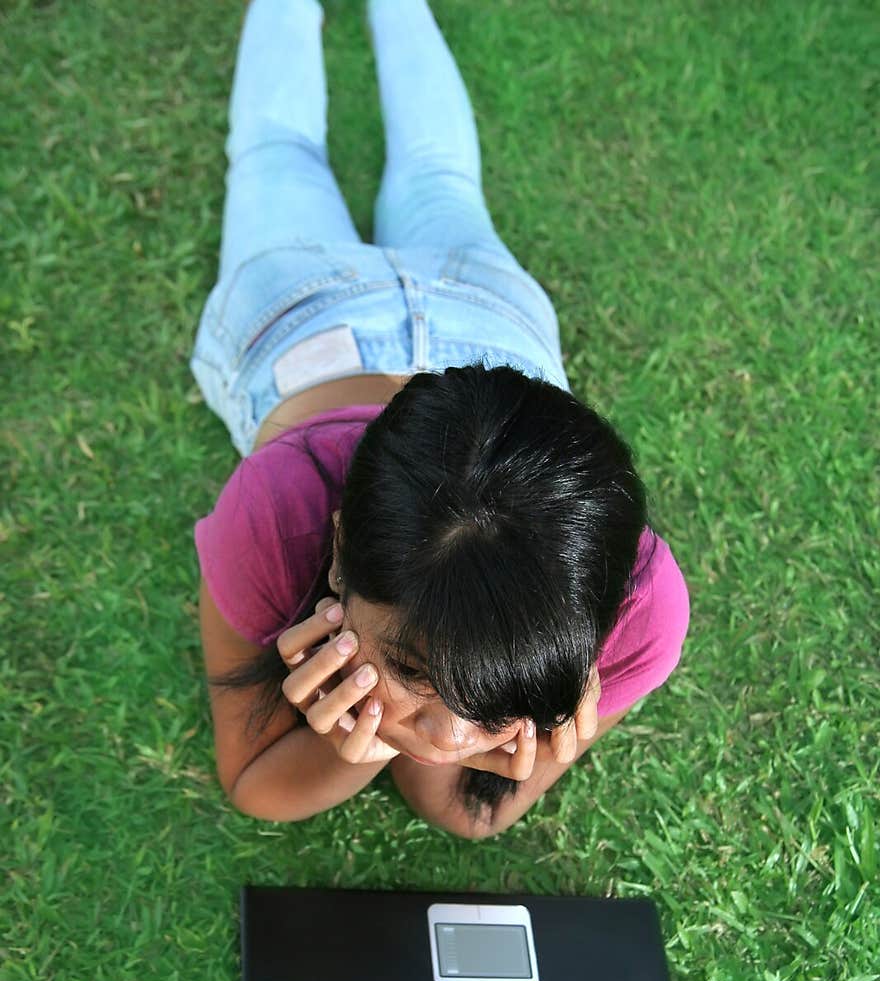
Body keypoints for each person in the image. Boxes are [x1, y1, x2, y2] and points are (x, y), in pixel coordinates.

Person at [192, 0, 690, 839]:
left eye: (484, 703)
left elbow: (464, 815)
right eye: (414, 670)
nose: (448, 736)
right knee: (306, 159)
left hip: (481, 325)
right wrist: (379, 748)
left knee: (424, 174)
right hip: (303, 312)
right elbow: (252, 780)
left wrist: (375, 746)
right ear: (341, 553)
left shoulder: (637, 615)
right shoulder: (277, 513)